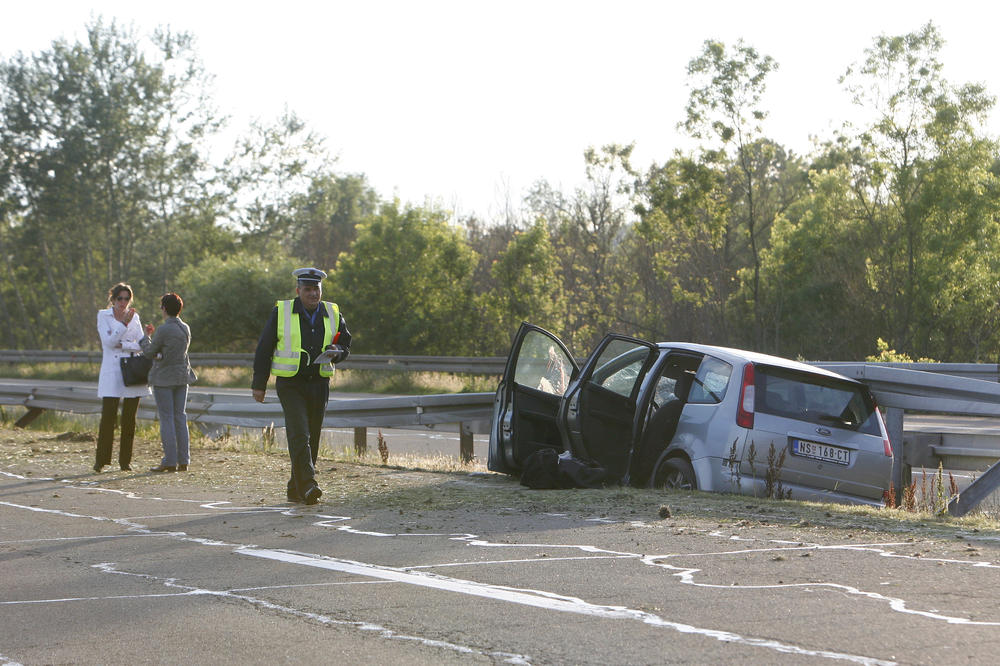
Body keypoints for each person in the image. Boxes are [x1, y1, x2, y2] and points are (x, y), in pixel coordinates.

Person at [251, 267, 352, 505]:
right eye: (307, 289)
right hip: (290, 382)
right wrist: (259, 384)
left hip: (319, 381)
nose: (313, 294)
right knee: (299, 433)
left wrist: (338, 352)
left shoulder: (332, 311)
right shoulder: (282, 311)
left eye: (316, 289)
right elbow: (264, 347)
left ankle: (295, 487)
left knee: (313, 436)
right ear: (298, 291)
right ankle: (309, 485)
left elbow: (345, 343)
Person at [95, 283, 150, 472]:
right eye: (120, 298)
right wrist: (123, 324)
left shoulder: (136, 317)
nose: (123, 302)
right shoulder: (103, 315)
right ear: (113, 299)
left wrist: (126, 345)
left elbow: (142, 344)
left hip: (132, 371)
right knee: (108, 418)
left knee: (129, 419)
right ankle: (101, 460)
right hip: (112, 372)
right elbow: (109, 342)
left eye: (127, 299)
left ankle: (125, 461)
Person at [140, 292, 194, 473]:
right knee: (180, 417)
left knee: (167, 418)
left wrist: (144, 338)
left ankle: (170, 460)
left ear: (164, 308)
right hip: (182, 376)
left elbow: (149, 352)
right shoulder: (185, 327)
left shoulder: (163, 329)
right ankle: (184, 459)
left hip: (164, 378)